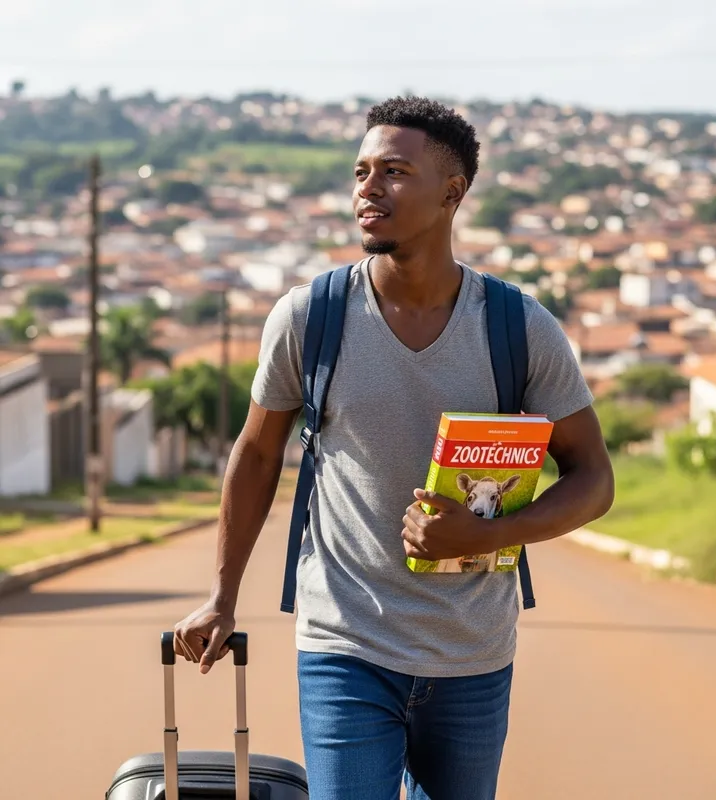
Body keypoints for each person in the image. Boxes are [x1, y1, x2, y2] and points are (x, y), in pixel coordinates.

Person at [173, 96, 615, 799]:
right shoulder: (309, 317)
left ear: (452, 193)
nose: (368, 189)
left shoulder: (518, 326)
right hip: (345, 644)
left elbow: (594, 478)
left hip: (473, 652)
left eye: (394, 171)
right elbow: (257, 456)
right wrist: (221, 599)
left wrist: (487, 531)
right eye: (360, 171)